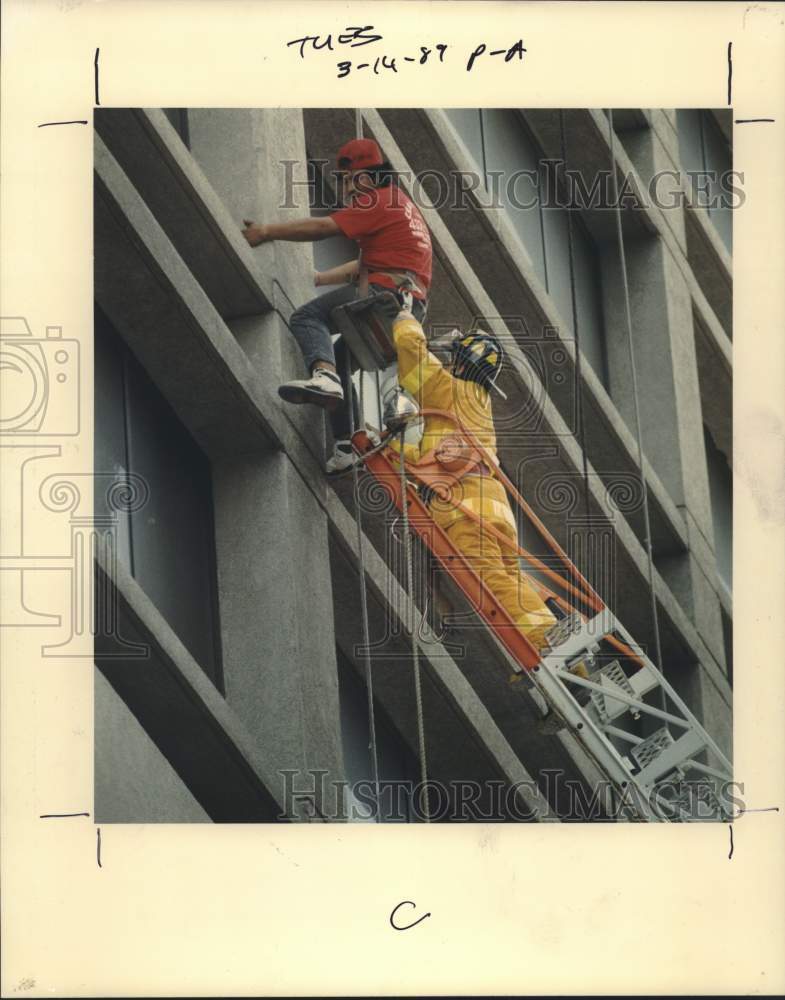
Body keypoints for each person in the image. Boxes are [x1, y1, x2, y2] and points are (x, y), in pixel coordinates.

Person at [242, 137, 432, 473]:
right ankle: (347, 444)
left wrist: (268, 231)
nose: (345, 190)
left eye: (346, 180)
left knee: (306, 318)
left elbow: (324, 227)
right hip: (407, 310)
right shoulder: (401, 205)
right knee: (342, 356)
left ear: (363, 176)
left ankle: (324, 376)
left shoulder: (378, 200)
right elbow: (366, 264)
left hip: (383, 296)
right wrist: (319, 278)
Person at [387, 307, 558, 653]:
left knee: (492, 581)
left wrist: (403, 314)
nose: (447, 366)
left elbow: (412, 352)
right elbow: (429, 459)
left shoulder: (450, 391)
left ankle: (544, 642)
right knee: (509, 578)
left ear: (462, 365)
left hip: (465, 507)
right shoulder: (479, 404)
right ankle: (562, 648)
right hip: (493, 508)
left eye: (452, 361)